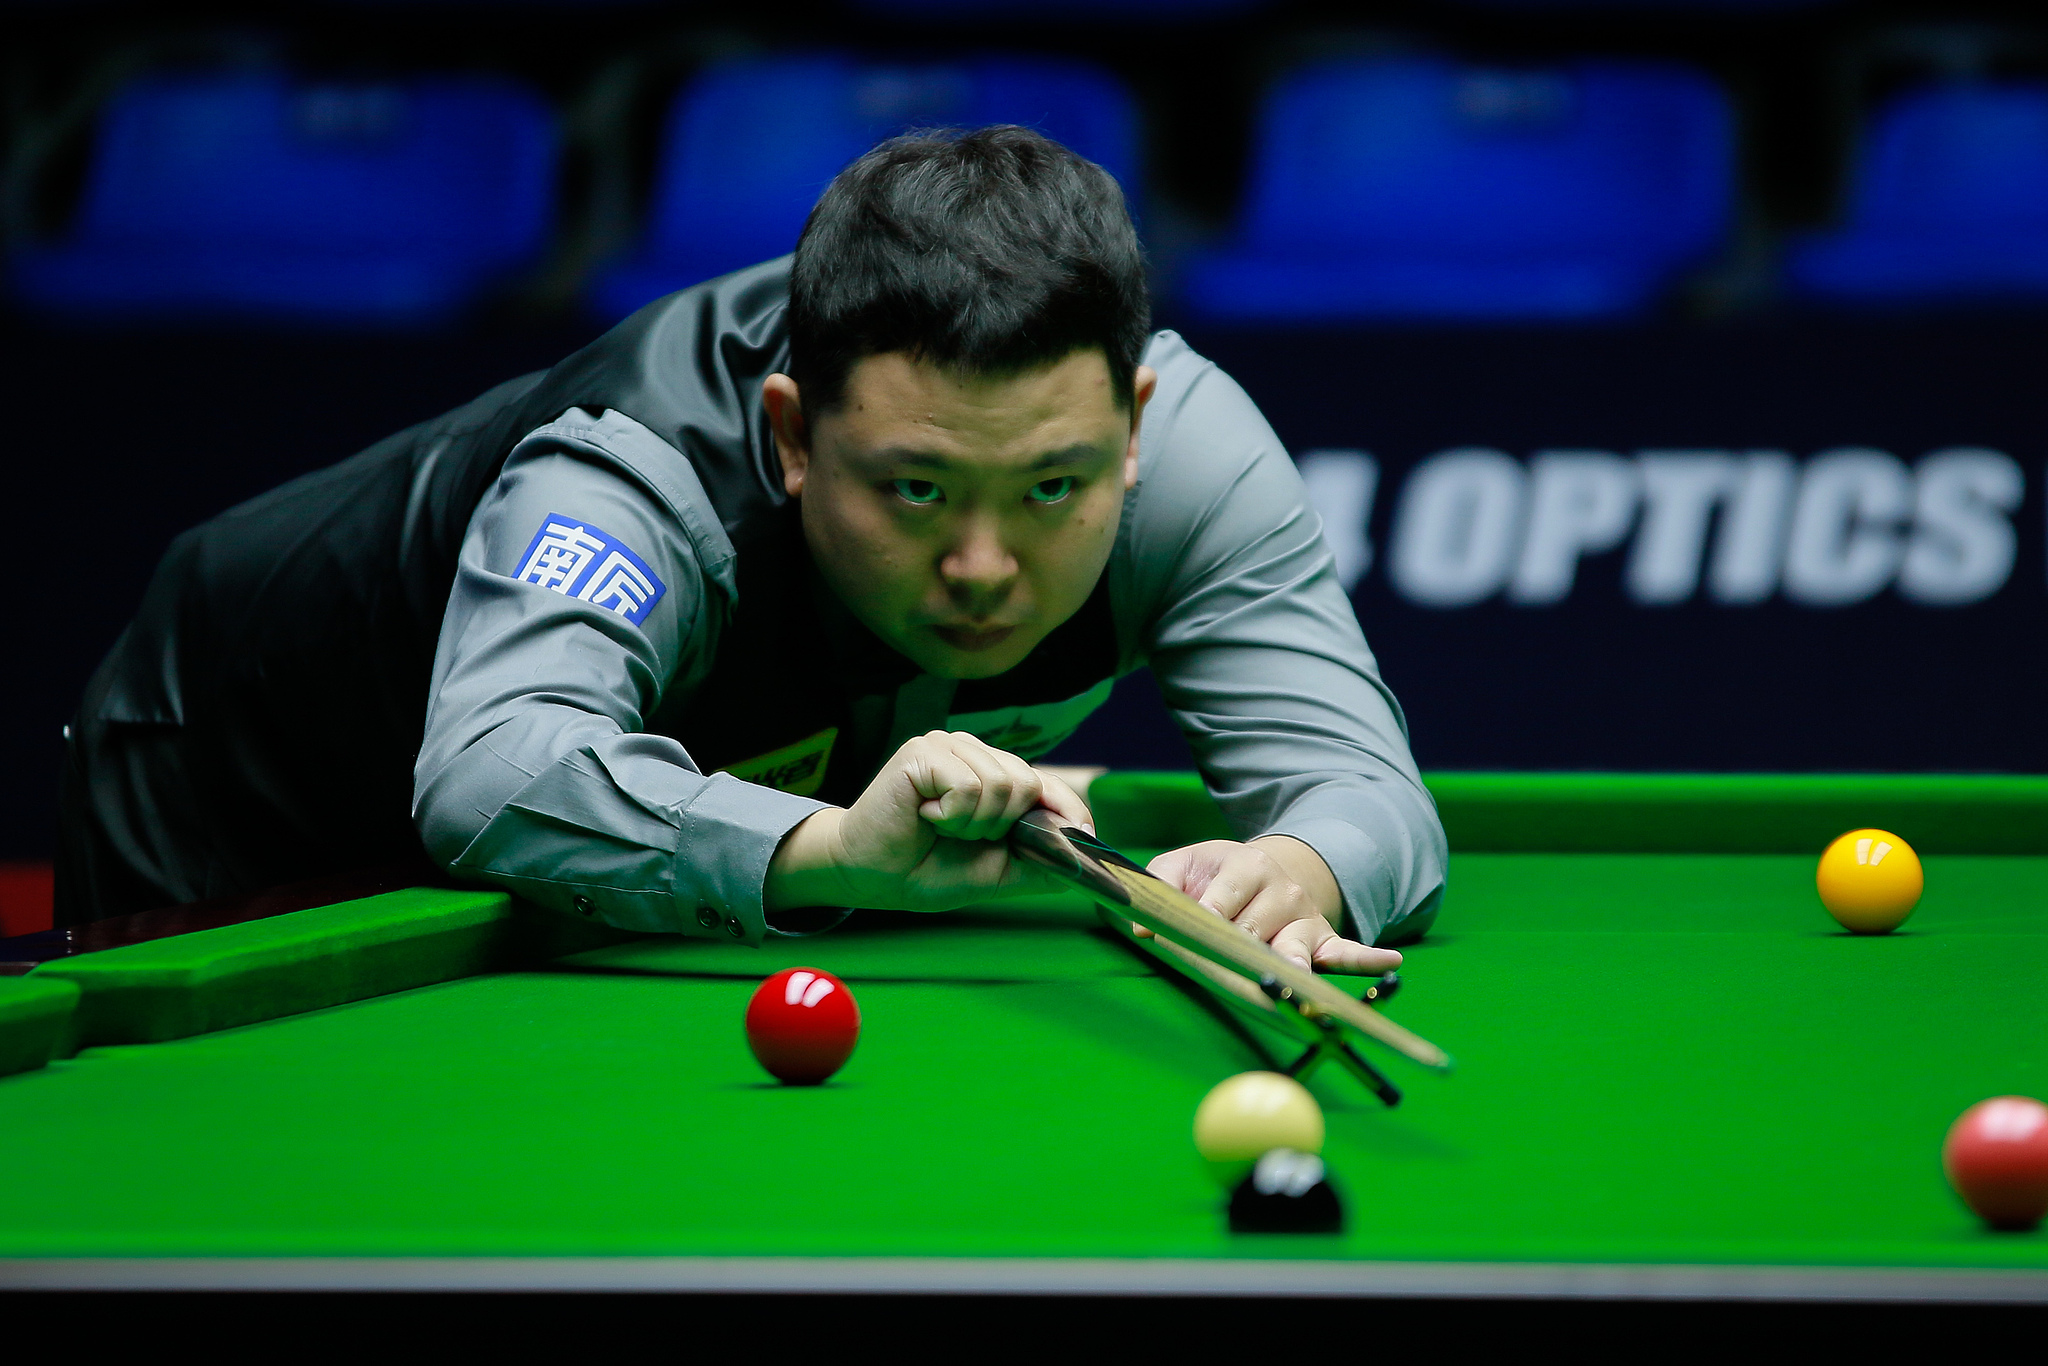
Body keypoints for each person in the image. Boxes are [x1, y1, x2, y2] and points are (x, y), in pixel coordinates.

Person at [59, 126, 1445, 971]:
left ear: (1131, 427)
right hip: (238, 781)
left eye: (1050, 488)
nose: (980, 564)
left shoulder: (1191, 453)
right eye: (913, 489)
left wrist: (1309, 867)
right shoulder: (641, 465)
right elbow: (494, 767)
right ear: (791, 435)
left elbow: (1366, 784)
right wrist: (838, 845)